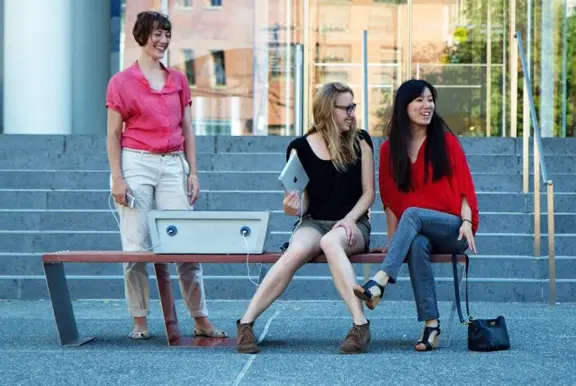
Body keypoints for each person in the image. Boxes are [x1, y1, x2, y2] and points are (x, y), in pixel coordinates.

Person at [105, 11, 226, 340]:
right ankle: (140, 319)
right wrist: (118, 177)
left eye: (167, 34)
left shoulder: (177, 79)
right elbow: (113, 134)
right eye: (157, 34)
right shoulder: (121, 82)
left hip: (173, 163)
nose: (163, 40)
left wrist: (193, 172)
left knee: (185, 245)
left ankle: (200, 318)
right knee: (136, 246)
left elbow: (187, 127)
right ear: (142, 36)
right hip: (136, 162)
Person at [236, 82, 375, 354]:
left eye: (353, 106)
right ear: (327, 110)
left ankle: (361, 326)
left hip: (354, 224)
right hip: (314, 222)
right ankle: (245, 323)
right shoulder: (299, 148)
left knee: (331, 242)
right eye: (346, 107)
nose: (352, 113)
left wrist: (348, 220)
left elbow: (369, 193)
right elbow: (303, 204)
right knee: (295, 250)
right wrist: (292, 207)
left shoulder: (361, 141)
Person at [353, 79, 479, 352]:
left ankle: (380, 281)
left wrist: (467, 221)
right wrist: (392, 241)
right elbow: (390, 201)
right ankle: (431, 326)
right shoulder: (389, 150)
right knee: (417, 243)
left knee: (413, 215)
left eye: (430, 99)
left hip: (454, 227)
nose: (427, 105)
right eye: (419, 100)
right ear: (404, 106)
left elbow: (465, 189)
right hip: (419, 231)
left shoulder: (446, 142)